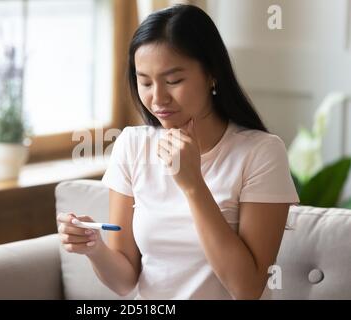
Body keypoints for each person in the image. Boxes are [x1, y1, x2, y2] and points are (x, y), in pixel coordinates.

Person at [57, 4, 299, 300]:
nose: (157, 98)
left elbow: (247, 288)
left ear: (212, 74)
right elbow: (124, 281)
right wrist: (94, 248)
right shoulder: (132, 146)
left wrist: (193, 185)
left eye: (173, 81)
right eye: (145, 82)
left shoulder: (261, 153)